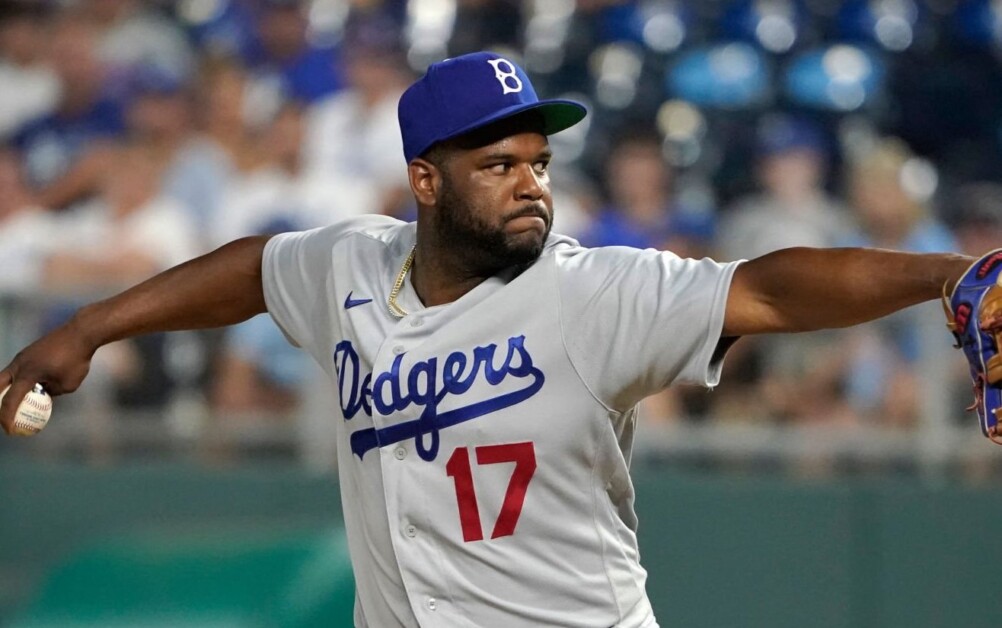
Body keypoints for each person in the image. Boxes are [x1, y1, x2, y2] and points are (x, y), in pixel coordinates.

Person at [0, 52, 974, 627]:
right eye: (499, 163)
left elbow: (766, 288)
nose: (531, 184)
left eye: (541, 162)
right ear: (426, 181)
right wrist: (90, 324)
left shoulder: (593, 292)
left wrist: (946, 276)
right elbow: (255, 267)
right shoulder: (350, 266)